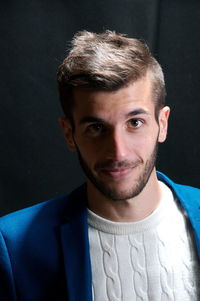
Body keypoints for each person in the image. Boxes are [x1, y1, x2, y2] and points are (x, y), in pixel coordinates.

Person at [0, 30, 199, 301]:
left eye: (135, 123)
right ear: (69, 133)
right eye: (96, 127)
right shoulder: (14, 245)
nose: (118, 150)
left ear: (162, 123)